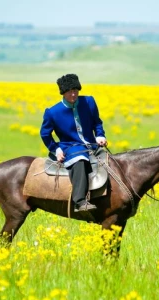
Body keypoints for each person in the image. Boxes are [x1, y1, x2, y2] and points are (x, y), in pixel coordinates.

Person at [40, 74, 107, 212]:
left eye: (76, 90)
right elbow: (45, 134)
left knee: (109, 160)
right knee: (80, 160)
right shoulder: (52, 112)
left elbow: (97, 122)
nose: (73, 94)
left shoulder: (89, 102)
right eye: (70, 91)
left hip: (92, 145)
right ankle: (80, 201)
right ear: (63, 93)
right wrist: (56, 149)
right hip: (70, 147)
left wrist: (100, 135)